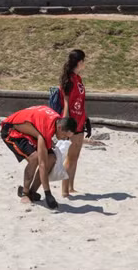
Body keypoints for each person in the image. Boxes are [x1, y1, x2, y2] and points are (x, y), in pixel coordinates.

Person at [0, 105, 76, 209]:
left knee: (52, 158)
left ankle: (32, 192)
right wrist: (48, 193)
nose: (64, 138)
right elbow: (42, 164)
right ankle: (25, 193)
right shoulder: (45, 130)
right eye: (65, 135)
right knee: (35, 158)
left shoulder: (56, 121)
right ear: (59, 128)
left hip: (31, 132)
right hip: (12, 130)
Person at [58, 50, 91, 197]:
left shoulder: (79, 79)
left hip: (80, 120)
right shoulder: (69, 80)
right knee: (70, 157)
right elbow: (66, 103)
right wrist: (65, 126)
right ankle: (64, 190)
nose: (85, 63)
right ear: (79, 62)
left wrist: (86, 119)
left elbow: (81, 102)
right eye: (84, 60)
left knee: (75, 157)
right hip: (71, 122)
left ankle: (71, 187)